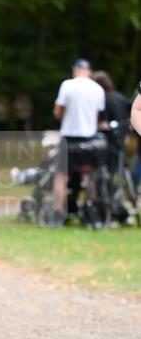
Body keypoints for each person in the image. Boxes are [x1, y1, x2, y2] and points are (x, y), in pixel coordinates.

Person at [52, 59, 106, 220]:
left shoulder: (67, 85)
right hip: (90, 139)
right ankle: (93, 212)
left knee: (61, 176)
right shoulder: (98, 89)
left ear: (74, 69)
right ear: (90, 71)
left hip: (69, 137)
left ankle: (58, 213)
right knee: (91, 175)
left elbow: (58, 112)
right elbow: (97, 116)